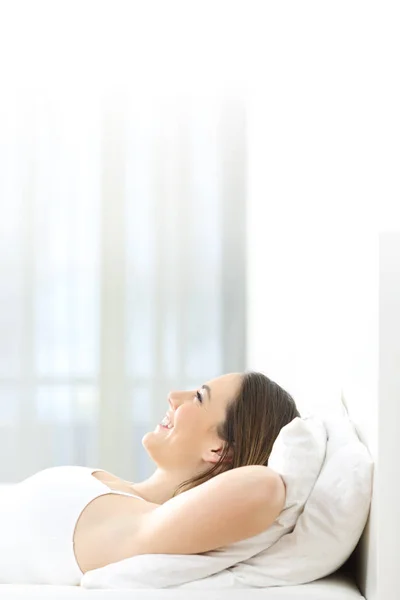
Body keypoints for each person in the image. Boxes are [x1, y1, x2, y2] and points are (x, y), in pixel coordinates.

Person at [0, 371, 300, 586]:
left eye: (198, 398)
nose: (173, 397)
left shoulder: (137, 526)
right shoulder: (120, 495)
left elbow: (264, 487)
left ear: (218, 448)